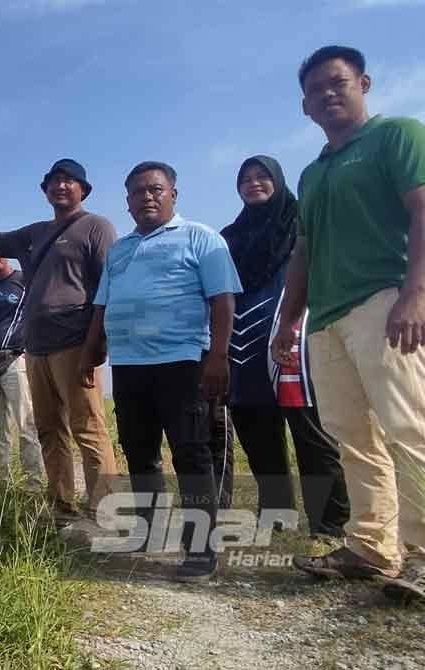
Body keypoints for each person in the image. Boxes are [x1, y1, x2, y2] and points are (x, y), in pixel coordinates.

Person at [272, 45, 425, 603]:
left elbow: (422, 209)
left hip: (387, 300)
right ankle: (372, 547)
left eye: (337, 83)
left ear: (364, 82)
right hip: (327, 319)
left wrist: (416, 293)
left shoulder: (398, 135)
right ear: (305, 107)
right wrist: (288, 322)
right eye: (315, 91)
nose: (327, 94)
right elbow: (303, 252)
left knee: (409, 427)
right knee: (351, 437)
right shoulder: (313, 174)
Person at [0, 158, 119, 523]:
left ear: (83, 189)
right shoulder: (35, 233)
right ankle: (62, 506)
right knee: (48, 429)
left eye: (69, 181)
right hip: (37, 348)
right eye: (54, 182)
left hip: (76, 343)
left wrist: (97, 345)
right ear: (45, 190)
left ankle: (102, 510)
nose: (61, 186)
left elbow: (109, 288)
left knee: (88, 428)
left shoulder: (97, 227)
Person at [84, 161, 242, 582]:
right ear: (128, 202)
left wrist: (219, 357)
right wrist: (90, 351)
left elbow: (222, 301)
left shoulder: (201, 238)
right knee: (139, 452)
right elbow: (102, 305)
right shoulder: (120, 250)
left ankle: (200, 549)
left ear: (173, 193)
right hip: (129, 365)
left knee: (191, 453)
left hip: (183, 361)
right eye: (137, 192)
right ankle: (150, 530)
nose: (147, 197)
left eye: (155, 189)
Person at [221, 155, 350, 538]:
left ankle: (330, 523)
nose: (254, 183)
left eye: (262, 176)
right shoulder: (230, 236)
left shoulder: (299, 222)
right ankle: (276, 512)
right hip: (243, 338)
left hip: (293, 334)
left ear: (278, 180)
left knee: (309, 431)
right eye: (246, 178)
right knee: (256, 432)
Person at [0, 248, 44, 490]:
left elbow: (40, 313)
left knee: (27, 425)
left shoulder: (26, 280)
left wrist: (30, 347)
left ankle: (33, 485)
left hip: (16, 360)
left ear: (5, 253)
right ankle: (2, 485)